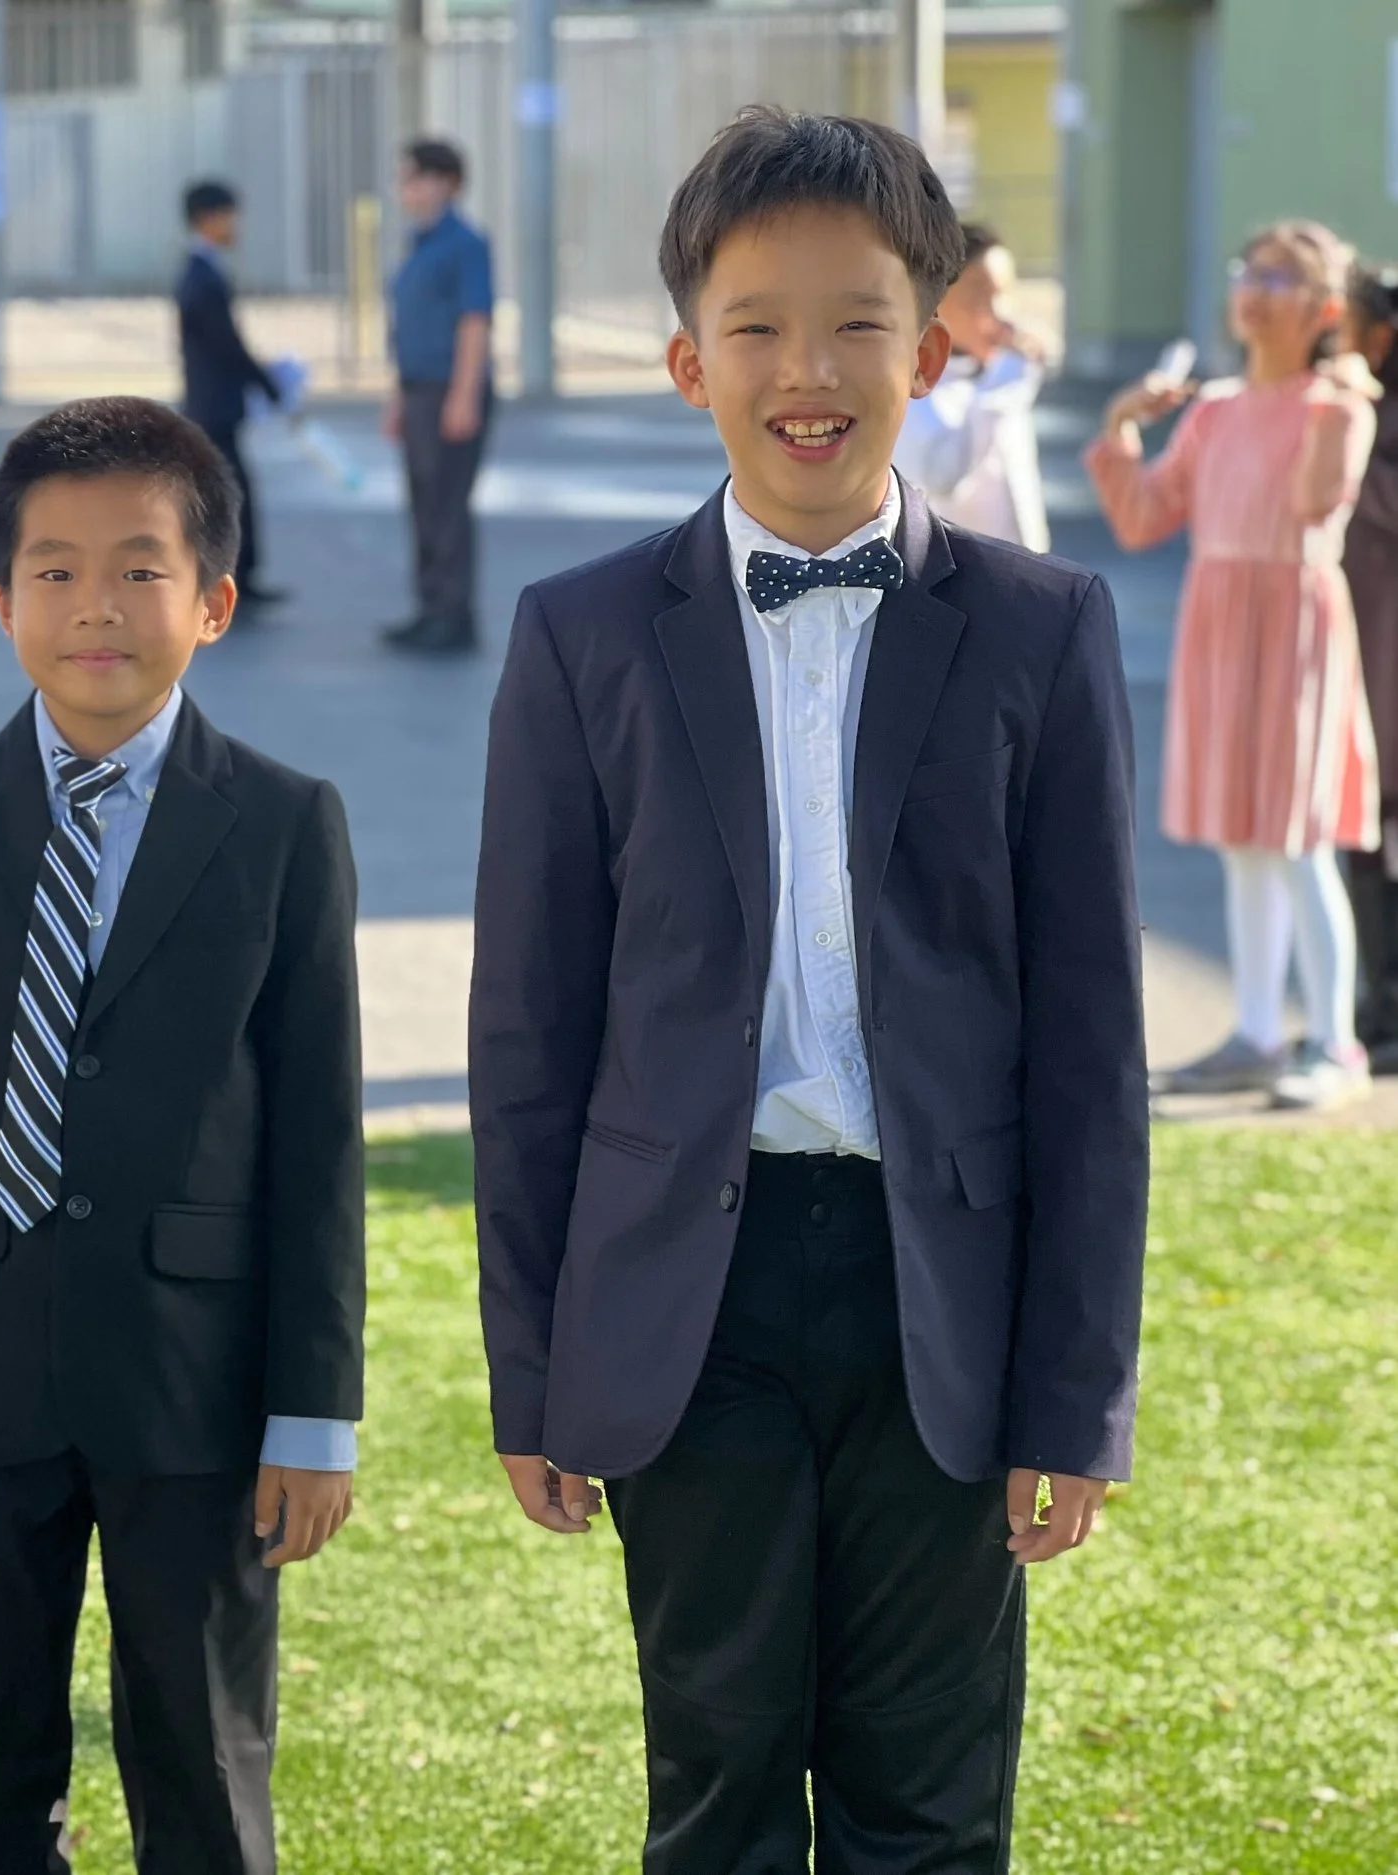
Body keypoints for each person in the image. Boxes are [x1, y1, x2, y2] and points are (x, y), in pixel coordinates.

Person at [473, 108, 1147, 1873]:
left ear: (932, 351)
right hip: (688, 1298)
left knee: (930, 1803)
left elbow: (1091, 1047)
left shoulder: (1042, 626)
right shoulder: (582, 636)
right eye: (757, 326)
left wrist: (1077, 1391)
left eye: (859, 322)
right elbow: (529, 1036)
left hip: (947, 1292)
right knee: (717, 1789)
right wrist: (533, 1366)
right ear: (688, 360)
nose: (808, 370)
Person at [0, 396, 365, 1875]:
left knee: (202, 1761)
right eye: (55, 572)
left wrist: (314, 1414)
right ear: (2, 600)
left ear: (214, 603)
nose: (97, 608)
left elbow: (319, 1145)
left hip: (197, 1389)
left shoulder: (282, 824)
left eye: (140, 569)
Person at [1088, 220, 1381, 1110]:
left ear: (1326, 308)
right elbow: (1142, 518)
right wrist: (1122, 425)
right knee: (1240, 837)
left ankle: (1334, 1042)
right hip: (1219, 621)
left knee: (1296, 838)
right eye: (1249, 271)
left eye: (1281, 278)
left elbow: (1316, 502)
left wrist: (1334, 404)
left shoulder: (1341, 405)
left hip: (1294, 623)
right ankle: (1257, 1033)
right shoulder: (1212, 411)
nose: (1255, 288)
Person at [380, 137, 494, 655]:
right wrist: (398, 399)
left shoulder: (465, 244)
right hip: (418, 390)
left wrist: (463, 395)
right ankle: (429, 608)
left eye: (413, 178)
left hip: (449, 389)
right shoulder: (418, 244)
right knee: (423, 503)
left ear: (445, 182)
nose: (404, 189)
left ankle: (453, 615)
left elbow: (474, 321)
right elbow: (407, 328)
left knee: (447, 504)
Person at [893, 220, 1052, 551]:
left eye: (1004, 295)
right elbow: (943, 477)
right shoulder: (914, 386)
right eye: (980, 297)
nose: (1000, 314)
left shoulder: (997, 373)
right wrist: (1004, 384)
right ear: (936, 300)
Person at [175, 179, 286, 611]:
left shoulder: (202, 271)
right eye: (228, 216)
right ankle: (232, 579)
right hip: (213, 407)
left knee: (229, 493)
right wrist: (267, 383)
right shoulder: (201, 277)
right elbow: (227, 345)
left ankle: (238, 577)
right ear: (208, 219)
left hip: (212, 405)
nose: (235, 225)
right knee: (229, 495)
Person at [1342, 259, 1398, 1064]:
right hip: (1352, 641)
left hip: (1386, 648)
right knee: (1357, 830)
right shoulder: (1352, 403)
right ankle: (1374, 1003)